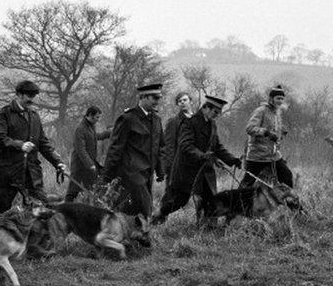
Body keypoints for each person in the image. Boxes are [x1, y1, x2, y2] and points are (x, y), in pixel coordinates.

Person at [151, 95, 242, 225]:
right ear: (206, 108)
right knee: (179, 201)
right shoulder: (190, 122)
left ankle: (208, 229)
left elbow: (217, 146)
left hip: (205, 171)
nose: (218, 115)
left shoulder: (212, 124)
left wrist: (233, 160)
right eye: (216, 112)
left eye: (219, 112)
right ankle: (157, 215)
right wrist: (203, 155)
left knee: (210, 198)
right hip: (186, 170)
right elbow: (185, 145)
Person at [0, 80, 66, 218]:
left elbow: (43, 143)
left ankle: (34, 238)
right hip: (6, 173)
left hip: (31, 173)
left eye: (33, 96)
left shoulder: (35, 116)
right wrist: (20, 145)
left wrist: (58, 162)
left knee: (41, 210)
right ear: (19, 95)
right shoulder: (4, 114)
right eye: (29, 96)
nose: (31, 100)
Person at [101, 83, 165, 218]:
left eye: (159, 98)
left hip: (148, 174)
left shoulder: (157, 120)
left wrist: (160, 170)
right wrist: (106, 176)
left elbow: (158, 147)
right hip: (130, 173)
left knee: (131, 211)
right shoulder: (127, 118)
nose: (157, 102)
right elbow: (115, 149)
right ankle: (144, 236)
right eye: (154, 98)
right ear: (143, 97)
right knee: (146, 208)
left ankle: (125, 236)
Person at [240, 85, 293, 187]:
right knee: (247, 183)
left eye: (282, 99)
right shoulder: (261, 111)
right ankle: (237, 202)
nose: (280, 101)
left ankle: (286, 201)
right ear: (271, 99)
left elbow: (275, 133)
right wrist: (266, 133)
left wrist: (280, 134)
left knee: (287, 176)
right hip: (257, 156)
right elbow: (250, 128)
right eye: (278, 98)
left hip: (273, 156)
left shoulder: (277, 113)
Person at [65, 106, 111, 202]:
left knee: (92, 188)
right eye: (97, 117)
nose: (98, 120)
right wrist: (90, 164)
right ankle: (64, 209)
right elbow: (81, 150)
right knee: (73, 190)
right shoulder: (80, 129)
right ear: (90, 115)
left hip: (87, 165)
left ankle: (87, 207)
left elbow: (94, 137)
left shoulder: (90, 126)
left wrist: (107, 133)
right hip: (79, 166)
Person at [161, 92, 194, 184]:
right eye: (179, 101)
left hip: (195, 166)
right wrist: (170, 168)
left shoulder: (199, 121)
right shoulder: (174, 122)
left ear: (191, 102)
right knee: (173, 196)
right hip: (178, 167)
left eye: (185, 100)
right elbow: (168, 146)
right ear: (178, 105)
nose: (182, 102)